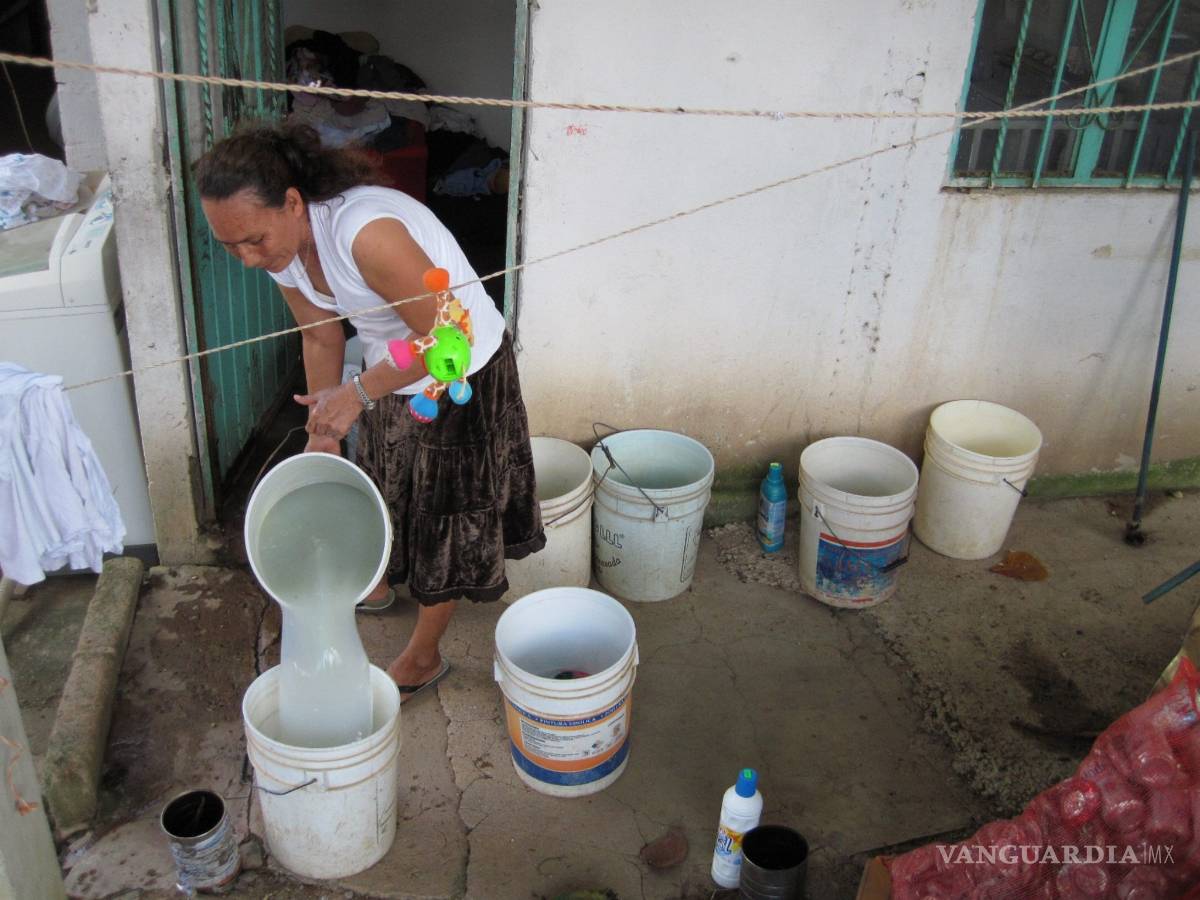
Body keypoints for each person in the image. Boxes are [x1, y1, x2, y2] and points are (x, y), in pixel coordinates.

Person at [195, 122, 545, 701]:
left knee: (444, 514)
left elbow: (448, 339)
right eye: (231, 246)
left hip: (460, 370)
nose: (248, 259)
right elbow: (319, 334)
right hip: (395, 368)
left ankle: (423, 657)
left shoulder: (365, 233)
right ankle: (377, 581)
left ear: (291, 202)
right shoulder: (284, 248)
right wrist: (321, 429)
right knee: (385, 484)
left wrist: (357, 395)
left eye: (253, 240)